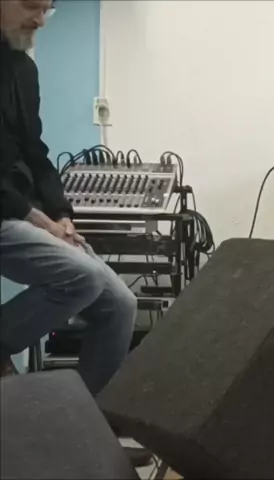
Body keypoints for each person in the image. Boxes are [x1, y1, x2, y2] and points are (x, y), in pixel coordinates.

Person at [0, 0, 152, 467]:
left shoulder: (23, 68)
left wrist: (61, 214)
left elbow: (36, 151)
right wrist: (36, 218)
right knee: (82, 277)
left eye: (48, 9)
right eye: (30, 5)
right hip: (8, 213)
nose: (40, 19)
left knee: (120, 303)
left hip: (26, 213)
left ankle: (82, 431)